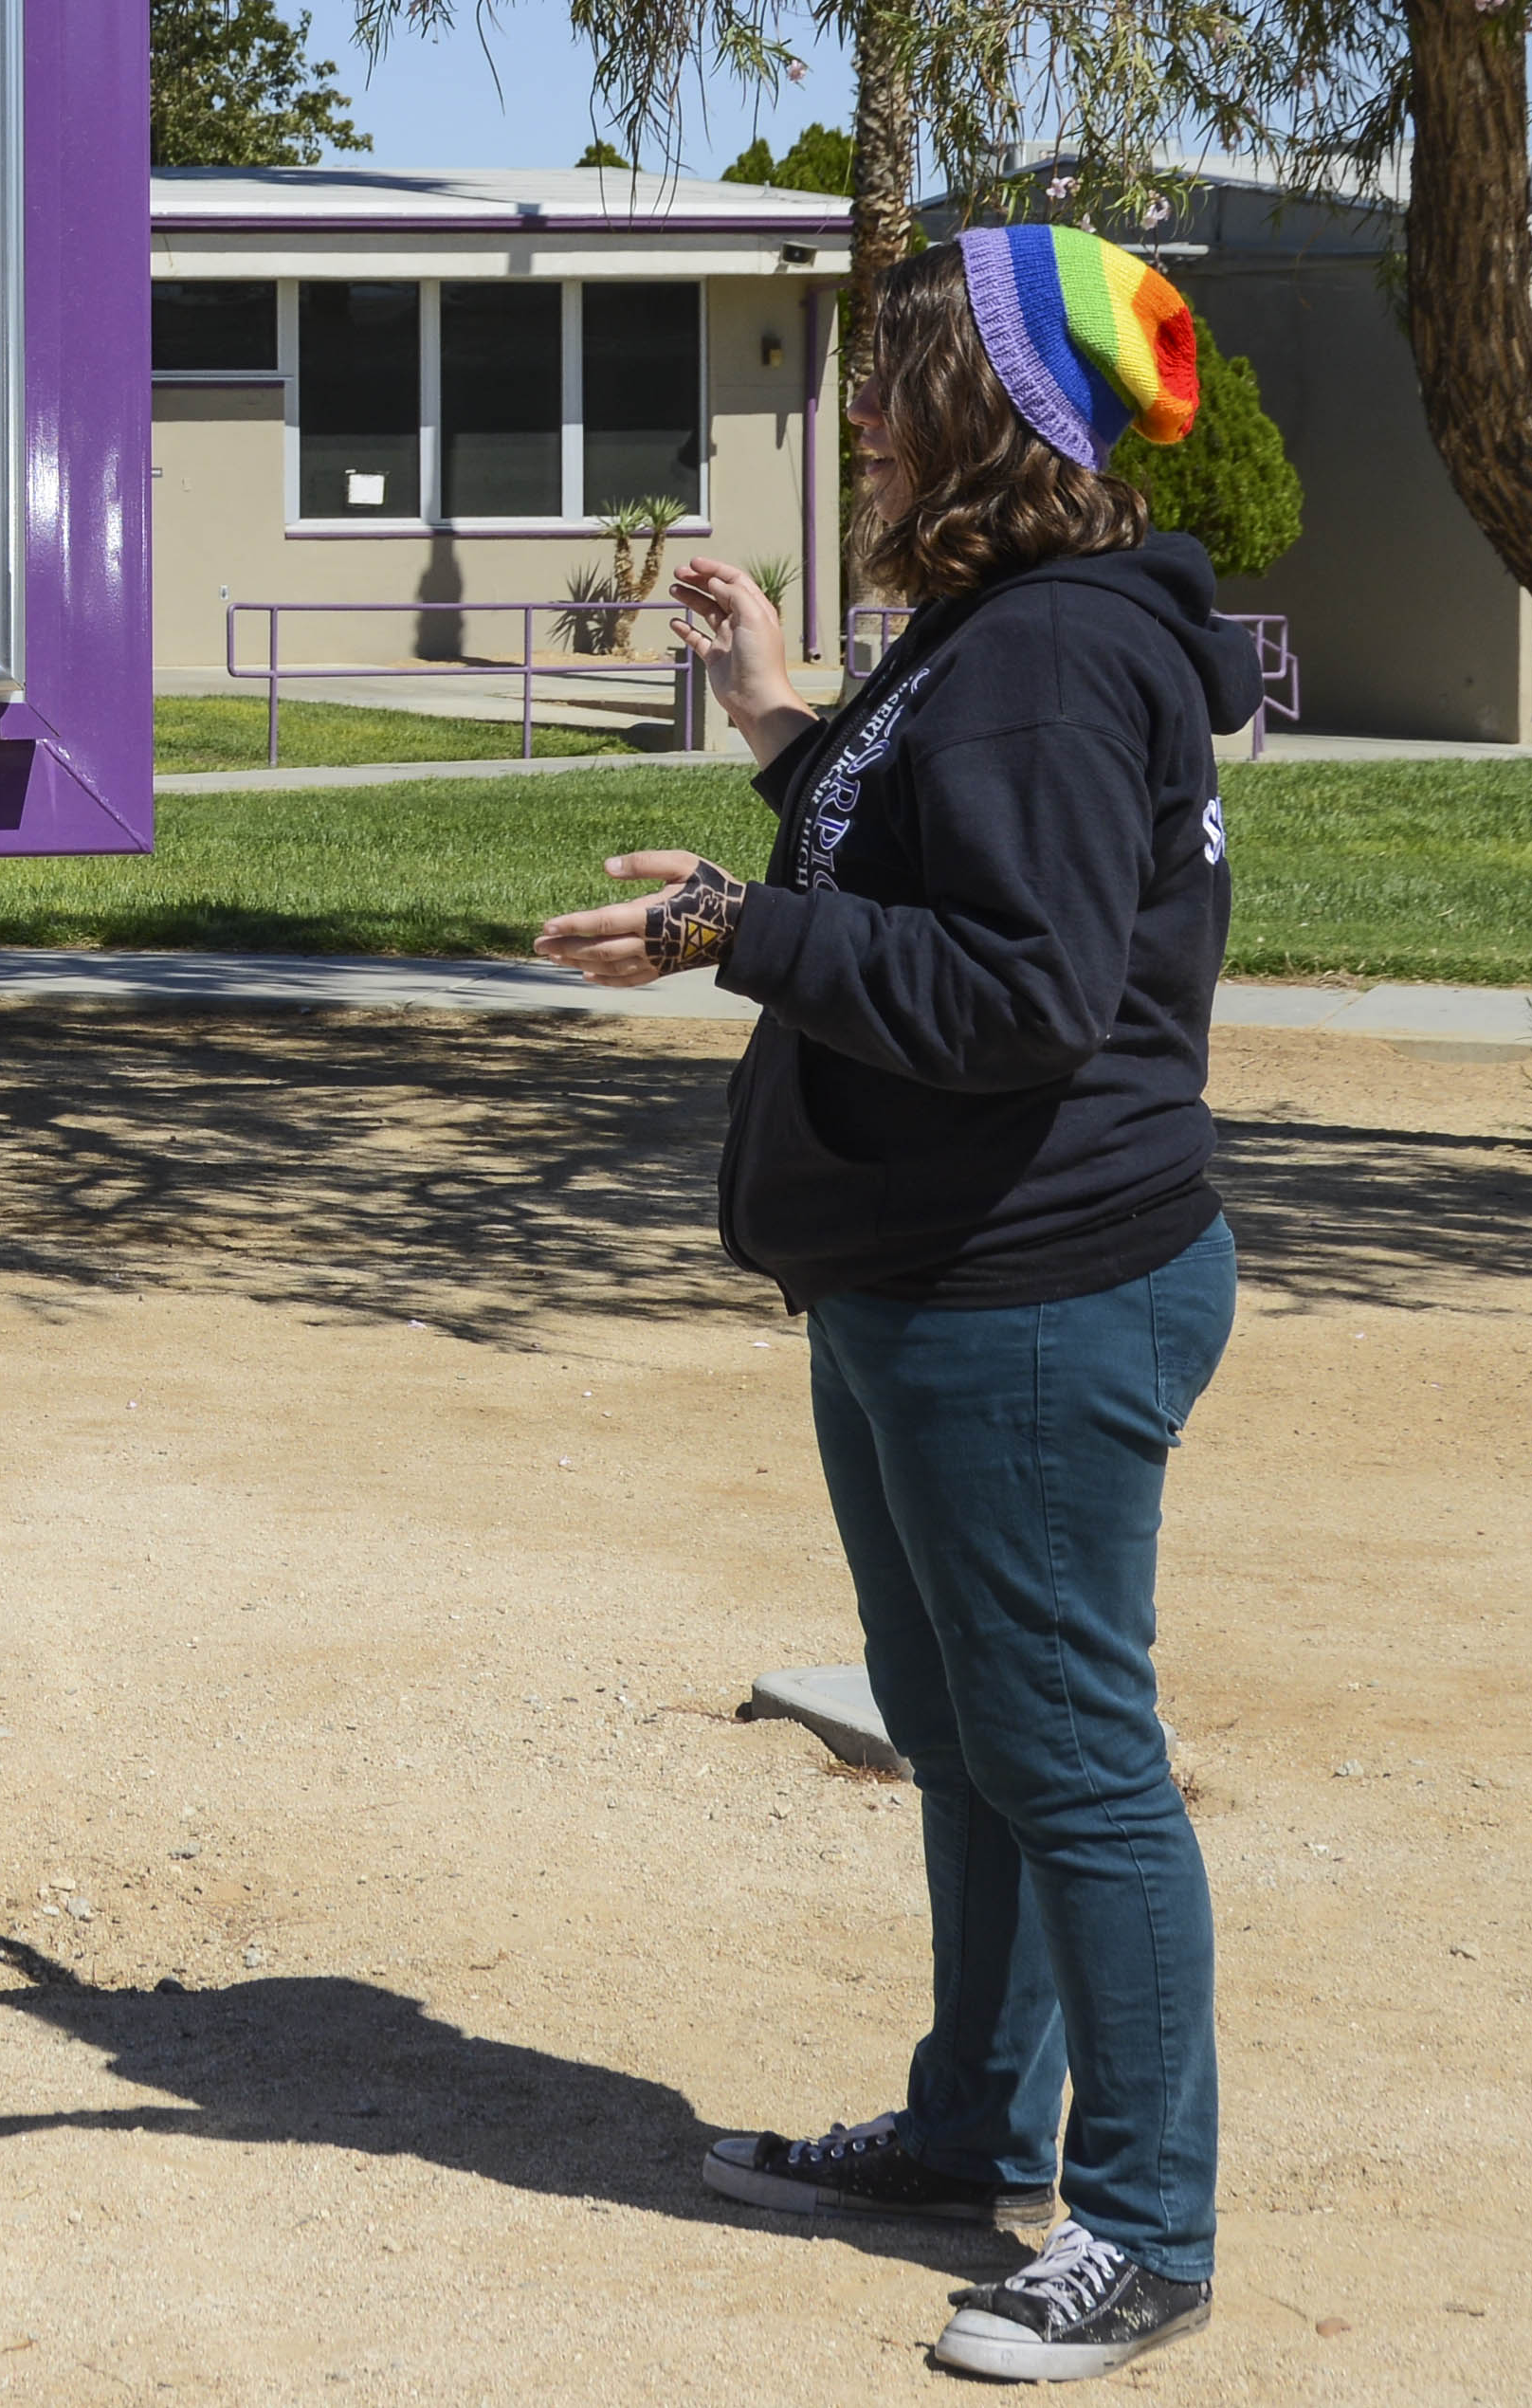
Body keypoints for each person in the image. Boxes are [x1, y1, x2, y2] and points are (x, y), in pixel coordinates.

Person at [537, 228, 1255, 2385]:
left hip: (1027, 1286)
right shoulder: (989, 634)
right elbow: (936, 863)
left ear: (995, 422)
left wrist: (725, 931)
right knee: (961, 1739)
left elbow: (1020, 994)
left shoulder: (1043, 656)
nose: (859, 409)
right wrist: (778, 718)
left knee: (1071, 1762)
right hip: (926, 1280)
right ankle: (969, 2129)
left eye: (893, 376)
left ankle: (1139, 2224)